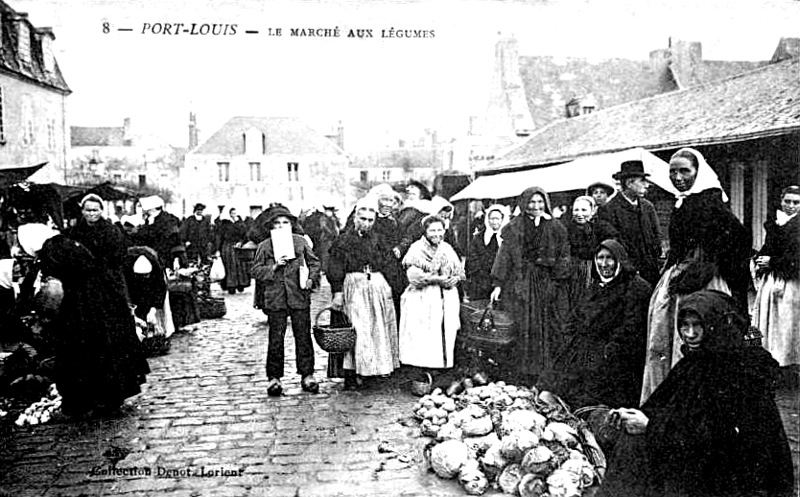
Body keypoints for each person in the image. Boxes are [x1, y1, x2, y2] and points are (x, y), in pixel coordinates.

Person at [597, 290, 793, 497]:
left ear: (717, 325)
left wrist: (651, 427)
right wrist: (633, 416)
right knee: (632, 444)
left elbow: (718, 441)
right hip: (697, 456)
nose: (690, 334)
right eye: (685, 325)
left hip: (733, 476)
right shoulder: (694, 362)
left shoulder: (739, 372)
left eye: (698, 325)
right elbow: (666, 407)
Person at [641, 148, 751, 403]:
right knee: (666, 340)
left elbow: (740, 239)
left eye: (684, 171)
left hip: (702, 283)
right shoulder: (684, 201)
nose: (678, 177)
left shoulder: (710, 201)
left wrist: (709, 263)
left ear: (698, 172)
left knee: (699, 339)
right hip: (679, 276)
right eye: (673, 172)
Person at [16, 223, 149, 417]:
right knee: (101, 347)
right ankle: (107, 397)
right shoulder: (62, 244)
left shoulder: (52, 250)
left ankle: (89, 400)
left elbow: (56, 284)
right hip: (99, 299)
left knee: (83, 350)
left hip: (84, 304)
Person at [541, 239, 652, 409]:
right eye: (600, 258)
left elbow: (631, 329)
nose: (604, 264)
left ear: (620, 261)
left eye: (610, 258)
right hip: (586, 349)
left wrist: (605, 351)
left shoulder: (635, 287)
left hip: (614, 357)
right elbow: (576, 315)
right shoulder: (595, 286)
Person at [489, 186, 570, 383]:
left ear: (546, 204)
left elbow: (564, 256)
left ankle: (543, 373)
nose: (536, 206)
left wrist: (557, 281)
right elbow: (504, 256)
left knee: (546, 326)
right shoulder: (514, 227)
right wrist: (498, 285)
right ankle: (520, 372)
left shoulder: (556, 227)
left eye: (540, 202)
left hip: (546, 283)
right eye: (532, 202)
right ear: (524, 204)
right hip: (520, 282)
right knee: (521, 325)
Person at [327, 198, 400, 390]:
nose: (366, 223)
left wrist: (390, 286)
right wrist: (337, 292)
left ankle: (372, 371)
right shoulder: (342, 240)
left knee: (376, 327)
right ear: (355, 217)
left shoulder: (378, 239)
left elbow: (388, 263)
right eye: (363, 218)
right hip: (354, 285)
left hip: (376, 284)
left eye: (370, 220)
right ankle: (351, 372)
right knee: (357, 329)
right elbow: (334, 266)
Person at [251, 206, 321, 396]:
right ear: (271, 227)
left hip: (298, 295)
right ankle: (274, 378)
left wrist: (310, 279)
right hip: (276, 298)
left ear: (292, 225)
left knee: (303, 336)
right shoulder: (265, 246)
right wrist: (273, 267)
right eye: (277, 223)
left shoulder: (300, 242)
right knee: (276, 338)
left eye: (285, 223)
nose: (281, 226)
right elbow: (255, 270)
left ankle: (307, 374)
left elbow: (314, 263)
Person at [398, 215, 465, 390]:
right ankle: (422, 374)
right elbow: (413, 277)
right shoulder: (416, 249)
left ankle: (440, 375)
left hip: (446, 298)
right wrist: (437, 279)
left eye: (439, 230)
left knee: (444, 334)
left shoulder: (447, 248)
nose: (436, 234)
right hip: (424, 298)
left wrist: (455, 279)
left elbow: (458, 271)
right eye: (432, 230)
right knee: (425, 334)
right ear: (425, 231)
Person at [752, 185, 800, 383]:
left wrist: (773, 261)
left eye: (796, 202)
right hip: (772, 280)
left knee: (788, 325)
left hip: (792, 283)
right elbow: (767, 247)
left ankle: (791, 366)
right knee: (771, 324)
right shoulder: (774, 223)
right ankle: (775, 365)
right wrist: (761, 258)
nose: (790, 206)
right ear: (781, 201)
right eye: (787, 201)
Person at [596, 160, 662, 287]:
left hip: (652, 272)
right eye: (642, 181)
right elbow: (613, 245)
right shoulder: (608, 210)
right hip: (627, 277)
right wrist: (630, 269)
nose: (646, 185)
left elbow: (657, 236)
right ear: (629, 183)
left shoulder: (648, 207)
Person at [68, 194, 129, 299]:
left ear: (101, 211)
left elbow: (120, 256)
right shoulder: (74, 232)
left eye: (95, 210)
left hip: (107, 279)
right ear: (82, 211)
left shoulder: (111, 231)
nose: (91, 213)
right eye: (88, 210)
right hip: (82, 280)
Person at [562, 195, 618, 306]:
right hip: (571, 269)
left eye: (584, 210)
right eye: (576, 210)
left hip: (594, 269)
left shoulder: (602, 227)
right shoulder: (566, 227)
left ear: (592, 211)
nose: (579, 214)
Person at [465, 204, 510, 300]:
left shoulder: (507, 238)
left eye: (497, 219)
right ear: (487, 220)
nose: (494, 222)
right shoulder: (479, 238)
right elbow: (472, 258)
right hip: (481, 282)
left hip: (501, 282)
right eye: (492, 219)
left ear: (502, 220)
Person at [135, 195, 186, 270]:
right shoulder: (149, 220)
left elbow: (175, 240)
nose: (142, 210)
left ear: (152, 208)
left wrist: (177, 258)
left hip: (166, 258)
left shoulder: (168, 220)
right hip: (152, 258)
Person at [215, 207, 250, 294]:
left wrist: (241, 242)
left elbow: (245, 234)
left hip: (238, 247)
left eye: (235, 213)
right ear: (229, 214)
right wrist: (217, 249)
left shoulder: (240, 223)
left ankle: (241, 285)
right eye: (232, 213)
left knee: (240, 265)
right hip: (227, 246)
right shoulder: (225, 223)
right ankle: (231, 286)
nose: (234, 215)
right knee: (230, 266)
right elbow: (220, 236)